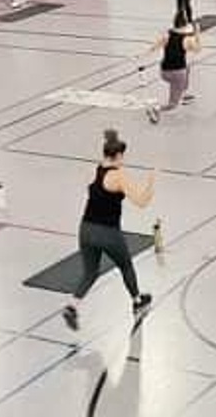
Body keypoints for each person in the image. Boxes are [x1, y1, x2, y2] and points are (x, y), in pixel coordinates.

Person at [62, 129, 155, 331]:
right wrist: (151, 184)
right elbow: (141, 202)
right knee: (126, 266)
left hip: (86, 229)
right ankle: (137, 301)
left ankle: (72, 306)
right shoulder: (119, 176)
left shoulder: (98, 169)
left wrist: (112, 139)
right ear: (119, 156)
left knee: (90, 272)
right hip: (108, 232)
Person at [145, 11, 202, 124]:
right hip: (178, 74)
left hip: (164, 72)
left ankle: (183, 93)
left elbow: (154, 47)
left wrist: (145, 54)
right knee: (173, 105)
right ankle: (156, 109)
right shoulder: (187, 39)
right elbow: (198, 50)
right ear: (186, 25)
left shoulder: (166, 35)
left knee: (188, 67)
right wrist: (197, 34)